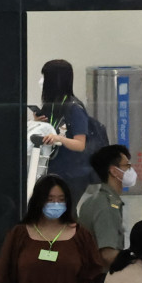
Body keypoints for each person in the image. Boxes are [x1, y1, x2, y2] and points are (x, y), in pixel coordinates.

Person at [35, 57, 95, 198]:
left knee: (67, 212)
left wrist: (59, 138)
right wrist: (37, 122)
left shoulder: (74, 108)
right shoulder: (51, 105)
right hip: (54, 169)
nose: (41, 81)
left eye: (44, 77)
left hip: (72, 174)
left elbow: (80, 144)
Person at [77, 143, 134, 269]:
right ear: (114, 171)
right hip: (101, 280)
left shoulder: (95, 200)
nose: (131, 170)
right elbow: (108, 255)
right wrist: (137, 271)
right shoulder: (106, 206)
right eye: (127, 166)